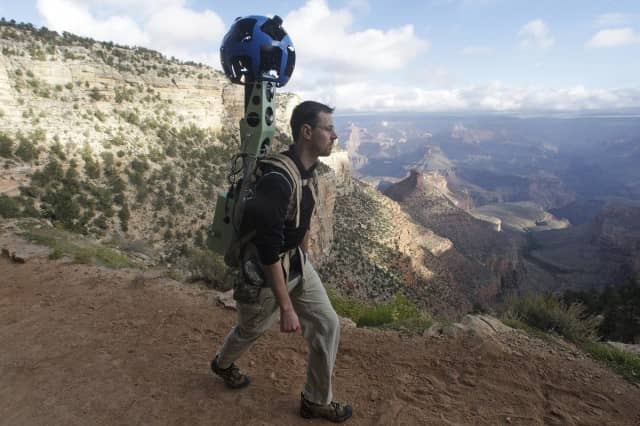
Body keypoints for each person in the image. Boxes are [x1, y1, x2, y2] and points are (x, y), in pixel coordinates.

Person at [211, 101, 353, 423]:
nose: (335, 135)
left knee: (327, 324)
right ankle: (222, 363)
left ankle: (315, 400)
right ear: (307, 132)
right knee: (250, 329)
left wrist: (303, 255)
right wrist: (286, 307)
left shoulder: (309, 171)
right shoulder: (278, 180)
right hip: (264, 272)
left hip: (296, 263)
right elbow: (267, 249)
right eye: (328, 128)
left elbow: (299, 219)